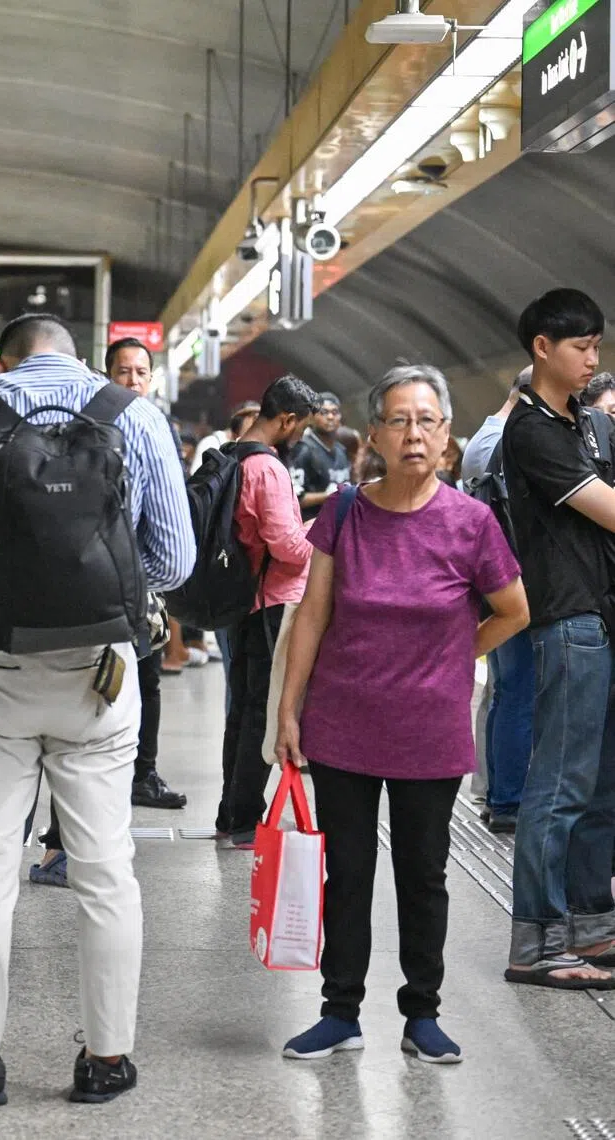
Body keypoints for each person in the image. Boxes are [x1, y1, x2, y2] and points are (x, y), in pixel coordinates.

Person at [0, 313, 193, 1107]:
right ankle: (106, 1059)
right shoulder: (131, 415)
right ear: (83, 359)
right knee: (105, 871)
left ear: (4, 362)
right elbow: (175, 558)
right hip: (100, 671)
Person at [276, 364, 527, 1062]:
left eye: (427, 420)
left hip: (429, 730)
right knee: (348, 871)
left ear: (446, 436)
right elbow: (313, 617)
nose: (413, 433)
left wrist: (455, 656)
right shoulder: (345, 512)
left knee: (424, 874)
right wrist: (288, 712)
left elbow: (514, 610)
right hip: (342, 724)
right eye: (398, 420)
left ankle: (422, 1013)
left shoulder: (471, 523)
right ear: (376, 435)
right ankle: (340, 1012)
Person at [29, 337, 188, 889]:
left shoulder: (141, 425)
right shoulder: (118, 428)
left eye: (143, 371)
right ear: (104, 373)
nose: (134, 380)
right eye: (124, 370)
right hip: (115, 607)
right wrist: (127, 580)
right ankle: (75, 849)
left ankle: (62, 848)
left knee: (88, 730)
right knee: (90, 732)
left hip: (110, 610)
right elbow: (173, 553)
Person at [502, 289, 615, 989]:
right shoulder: (534, 431)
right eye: (579, 347)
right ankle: (537, 941)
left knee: (602, 783)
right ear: (542, 347)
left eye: (597, 346)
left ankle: (590, 922)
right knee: (560, 784)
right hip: (568, 620)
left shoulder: (586, 425)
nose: (591, 359)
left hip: (601, 617)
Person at [215, 375, 319, 850]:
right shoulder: (269, 470)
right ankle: (244, 820)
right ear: (288, 419)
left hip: (241, 597)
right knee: (262, 710)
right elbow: (291, 549)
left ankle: (230, 811)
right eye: (301, 428)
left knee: (242, 709)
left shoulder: (233, 453)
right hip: (271, 603)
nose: (301, 437)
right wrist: (325, 526)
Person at [462, 366, 534, 833]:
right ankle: (507, 798)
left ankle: (495, 793)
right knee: (519, 694)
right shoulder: (505, 442)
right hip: (512, 581)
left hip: (493, 581)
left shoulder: (482, 438)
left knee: (504, 692)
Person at [287, 392, 352, 522]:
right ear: (312, 417)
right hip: (312, 526)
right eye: (324, 412)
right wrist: (326, 496)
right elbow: (294, 498)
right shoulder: (303, 450)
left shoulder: (341, 450)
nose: (330, 417)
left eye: (335, 412)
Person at [190, 403, 259, 475]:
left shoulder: (251, 448)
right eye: (254, 419)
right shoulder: (211, 442)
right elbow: (195, 475)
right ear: (238, 421)